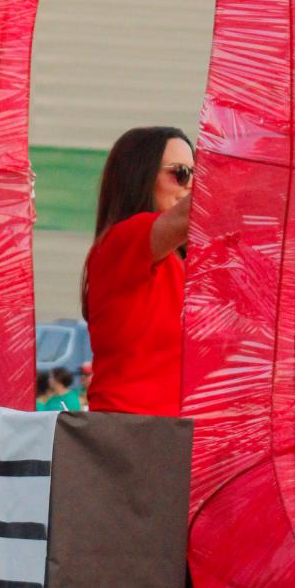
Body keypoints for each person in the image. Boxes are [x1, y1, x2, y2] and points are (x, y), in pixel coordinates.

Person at [82, 126, 194, 416]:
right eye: (181, 173)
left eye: (198, 175)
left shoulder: (181, 263)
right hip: (131, 436)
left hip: (168, 435)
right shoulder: (120, 242)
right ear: (140, 176)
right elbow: (192, 213)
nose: (192, 185)